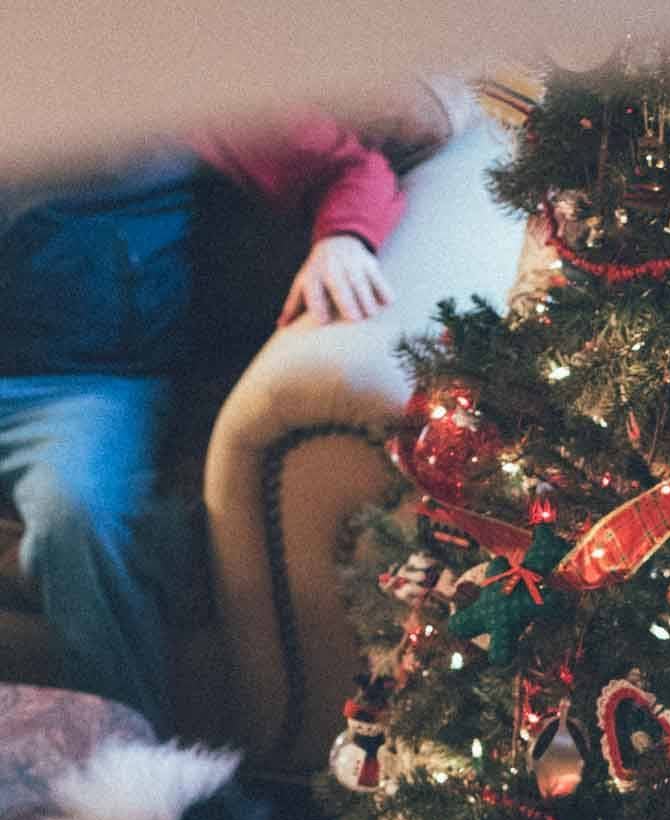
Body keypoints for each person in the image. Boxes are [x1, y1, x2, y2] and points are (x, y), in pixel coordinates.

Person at [0, 106, 439, 734]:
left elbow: (351, 170)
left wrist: (343, 239)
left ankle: (126, 764)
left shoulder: (180, 90)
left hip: (82, 388)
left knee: (77, 517)